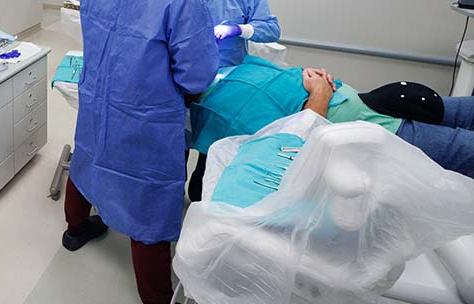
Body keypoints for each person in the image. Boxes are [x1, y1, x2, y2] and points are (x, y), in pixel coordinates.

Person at [64, 0, 219, 304]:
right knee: (148, 198)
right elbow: (197, 76)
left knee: (88, 159)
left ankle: (75, 230)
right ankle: (155, 302)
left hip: (98, 100)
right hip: (146, 114)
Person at [190, 56, 474, 182]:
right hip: (378, 130)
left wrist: (315, 80)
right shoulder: (217, 118)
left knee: (464, 117)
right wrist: (321, 92)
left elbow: (294, 76)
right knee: (463, 148)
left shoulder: (230, 70)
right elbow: (293, 148)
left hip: (378, 102)